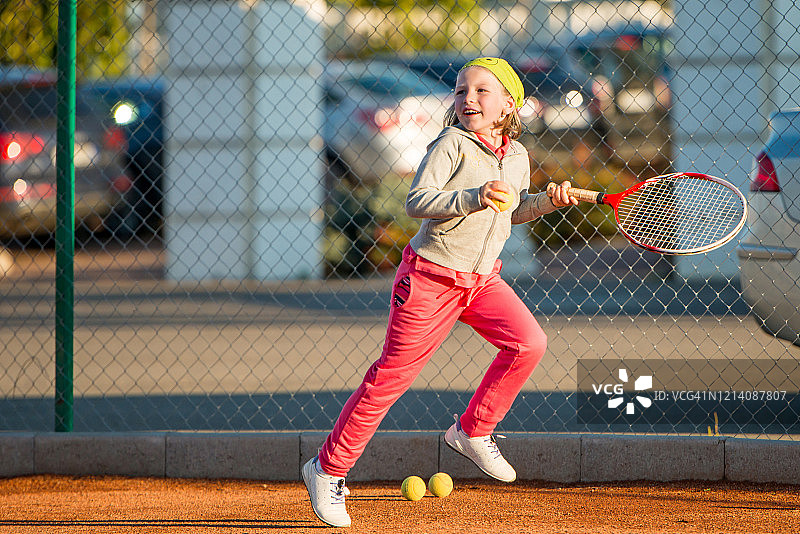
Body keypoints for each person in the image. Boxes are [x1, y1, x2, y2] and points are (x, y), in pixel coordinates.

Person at [302, 57, 578, 528]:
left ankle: (473, 431)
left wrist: (546, 202)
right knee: (389, 380)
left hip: (482, 280)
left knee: (529, 343)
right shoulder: (451, 144)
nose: (468, 99)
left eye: (481, 91)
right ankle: (327, 470)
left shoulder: (516, 156)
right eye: (460, 90)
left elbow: (509, 211)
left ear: (508, 104)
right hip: (430, 278)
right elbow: (417, 201)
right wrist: (471, 196)